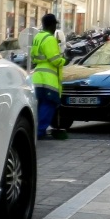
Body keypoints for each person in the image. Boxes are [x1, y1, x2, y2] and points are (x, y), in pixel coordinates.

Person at [31, 13, 67, 141]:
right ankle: (40, 132)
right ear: (51, 25)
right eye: (54, 25)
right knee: (49, 104)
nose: (55, 27)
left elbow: (33, 57)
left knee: (40, 105)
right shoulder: (50, 39)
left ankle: (36, 130)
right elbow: (55, 60)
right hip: (48, 79)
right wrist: (64, 60)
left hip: (37, 76)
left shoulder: (38, 37)